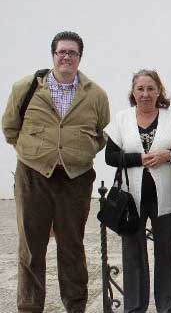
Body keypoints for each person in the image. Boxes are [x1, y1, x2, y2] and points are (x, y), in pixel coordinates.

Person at [2, 31, 110, 313]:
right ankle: (29, 306)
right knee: (31, 246)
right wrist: (36, 153)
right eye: (61, 52)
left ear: (79, 58)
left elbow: (101, 136)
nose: (66, 57)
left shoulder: (95, 94)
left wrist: (75, 154)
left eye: (72, 53)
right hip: (33, 177)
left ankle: (75, 306)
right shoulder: (26, 88)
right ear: (53, 55)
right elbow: (11, 128)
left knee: (72, 246)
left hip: (75, 180)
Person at [104, 69, 171, 313]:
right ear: (133, 92)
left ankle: (168, 306)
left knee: (166, 253)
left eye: (151, 88)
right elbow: (110, 156)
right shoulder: (122, 119)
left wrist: (168, 155)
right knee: (133, 255)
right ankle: (135, 308)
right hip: (131, 201)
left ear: (159, 91)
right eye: (141, 89)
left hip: (164, 198)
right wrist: (139, 158)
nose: (146, 94)